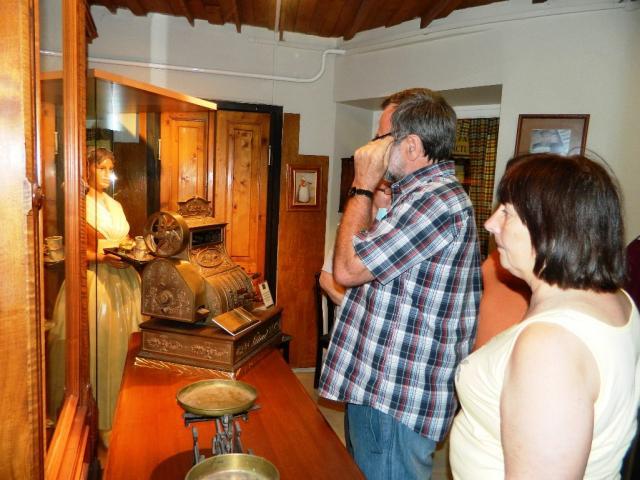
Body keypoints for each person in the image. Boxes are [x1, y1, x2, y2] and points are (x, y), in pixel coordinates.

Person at [319, 88, 482, 480]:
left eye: (380, 138)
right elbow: (367, 260)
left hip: (394, 396)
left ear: (411, 146)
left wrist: (362, 185)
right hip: (380, 387)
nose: (371, 148)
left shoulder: (434, 202)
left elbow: (347, 270)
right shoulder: (414, 198)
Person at [450, 153, 640, 478]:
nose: (491, 223)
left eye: (507, 212)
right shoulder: (615, 300)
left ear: (551, 227)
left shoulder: (550, 347)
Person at [48, 147, 143, 447]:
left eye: (110, 169)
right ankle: (96, 421)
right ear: (87, 169)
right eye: (101, 168)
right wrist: (102, 257)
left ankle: (123, 413)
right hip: (94, 283)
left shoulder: (115, 205)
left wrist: (129, 251)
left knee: (124, 347)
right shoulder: (78, 205)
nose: (106, 174)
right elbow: (74, 250)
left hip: (124, 281)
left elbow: (124, 239)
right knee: (98, 348)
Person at [320, 181, 392, 306]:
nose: (393, 197)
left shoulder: (391, 228)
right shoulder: (350, 230)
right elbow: (325, 280)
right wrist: (355, 310)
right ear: (373, 191)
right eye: (389, 191)